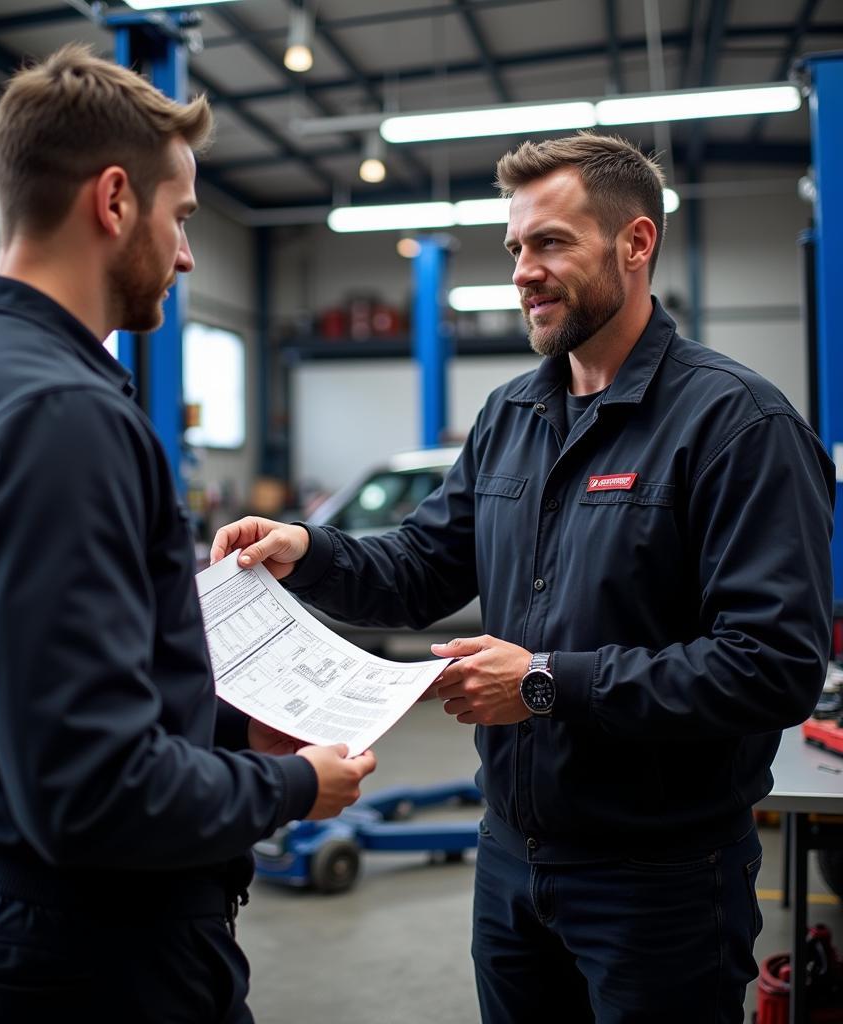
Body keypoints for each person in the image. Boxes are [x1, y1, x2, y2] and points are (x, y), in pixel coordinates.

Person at [211, 132, 835, 1023]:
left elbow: (770, 666)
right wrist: (307, 551)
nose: (522, 272)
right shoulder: (511, 416)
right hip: (509, 860)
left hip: (659, 881)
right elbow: (422, 566)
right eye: (514, 248)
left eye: (551, 243)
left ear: (636, 243)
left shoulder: (737, 427)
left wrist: (543, 682)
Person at [0, 44, 376, 1024]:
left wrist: (230, 728)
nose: (187, 254)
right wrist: (288, 784)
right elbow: (90, 784)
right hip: (94, 946)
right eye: (181, 217)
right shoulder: (65, 417)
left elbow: (28, 699)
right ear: (114, 200)